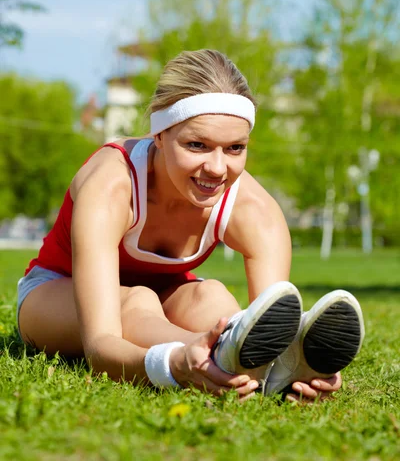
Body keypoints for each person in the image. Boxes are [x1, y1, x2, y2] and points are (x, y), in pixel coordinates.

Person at [17, 50, 364, 403]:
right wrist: (174, 363)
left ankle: (270, 366)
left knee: (211, 297)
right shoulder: (112, 185)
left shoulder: (256, 212)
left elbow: (271, 313)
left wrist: (292, 358)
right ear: (160, 136)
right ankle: (223, 355)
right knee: (138, 299)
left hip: (168, 299)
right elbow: (100, 347)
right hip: (55, 294)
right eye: (197, 145)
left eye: (235, 148)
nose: (217, 168)